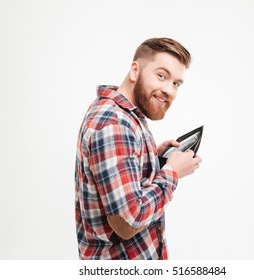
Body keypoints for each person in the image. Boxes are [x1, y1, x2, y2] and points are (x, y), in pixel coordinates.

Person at [74, 37, 202, 260]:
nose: (169, 90)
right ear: (135, 71)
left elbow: (125, 183)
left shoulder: (123, 115)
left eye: (176, 83)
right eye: (161, 76)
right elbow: (127, 221)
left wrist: (155, 158)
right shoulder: (114, 124)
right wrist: (171, 173)